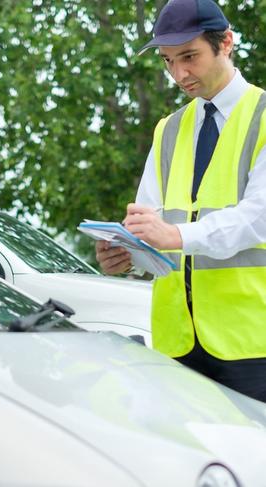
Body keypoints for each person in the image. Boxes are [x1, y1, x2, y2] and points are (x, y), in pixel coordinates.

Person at [95, 0, 266, 402]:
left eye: (189, 57)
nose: (179, 74)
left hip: (252, 342)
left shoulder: (263, 117)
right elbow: (152, 225)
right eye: (169, 61)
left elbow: (257, 218)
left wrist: (173, 234)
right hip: (177, 346)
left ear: (226, 43)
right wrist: (127, 255)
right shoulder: (168, 130)